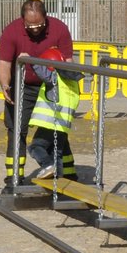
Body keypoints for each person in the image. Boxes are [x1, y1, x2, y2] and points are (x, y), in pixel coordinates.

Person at [0, 0, 74, 188]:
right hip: (23, 87)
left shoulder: (59, 29)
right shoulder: (12, 31)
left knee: (56, 129)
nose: (35, 29)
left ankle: (68, 172)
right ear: (23, 20)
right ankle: (14, 176)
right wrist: (5, 86)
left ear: (46, 18)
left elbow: (69, 61)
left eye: (39, 24)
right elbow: (5, 63)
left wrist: (66, 90)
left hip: (50, 86)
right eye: (30, 25)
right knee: (16, 129)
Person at [26, 46, 81, 180]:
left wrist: (30, 59)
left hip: (49, 122)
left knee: (36, 146)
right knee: (57, 152)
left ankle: (48, 165)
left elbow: (41, 70)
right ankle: (57, 177)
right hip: (63, 124)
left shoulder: (54, 78)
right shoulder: (72, 81)